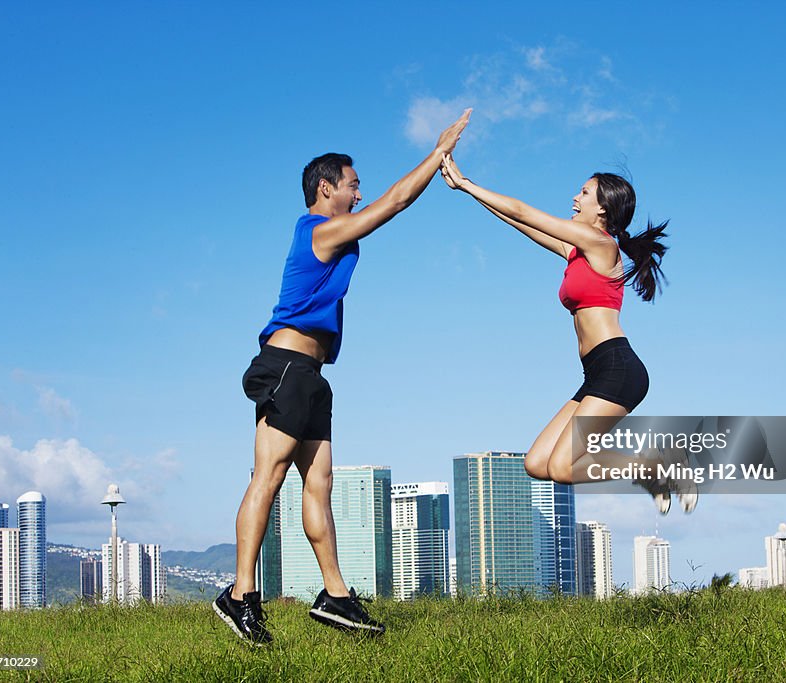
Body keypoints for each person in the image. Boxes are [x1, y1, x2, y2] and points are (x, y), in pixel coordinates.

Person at [213, 110, 471, 645]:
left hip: (309, 373)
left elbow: (383, 204)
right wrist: (438, 151)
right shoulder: (319, 231)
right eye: (353, 185)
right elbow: (394, 202)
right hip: (284, 366)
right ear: (326, 188)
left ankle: (334, 595)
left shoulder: (330, 232)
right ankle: (239, 596)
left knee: (320, 483)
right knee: (269, 475)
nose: (359, 193)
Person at [439, 154, 696, 514]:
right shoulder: (578, 250)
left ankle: (654, 465)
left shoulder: (601, 244)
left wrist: (468, 183)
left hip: (618, 368)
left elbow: (525, 211)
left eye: (584, 192)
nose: (575, 198)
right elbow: (519, 221)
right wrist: (470, 194)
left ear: (603, 210)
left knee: (563, 466)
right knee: (537, 463)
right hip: (596, 373)